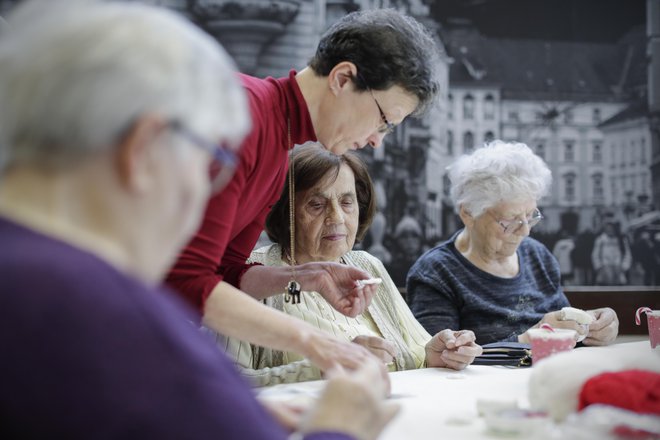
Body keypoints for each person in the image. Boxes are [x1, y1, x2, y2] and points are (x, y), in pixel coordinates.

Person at [0, 1, 397, 438]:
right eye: (214, 163)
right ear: (144, 149)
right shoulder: (93, 304)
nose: (205, 194)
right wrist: (340, 427)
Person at [166, 9, 442, 373]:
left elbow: (227, 273)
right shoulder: (242, 115)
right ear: (343, 79)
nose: (377, 140)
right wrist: (321, 346)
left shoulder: (278, 151)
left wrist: (308, 277)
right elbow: (184, 279)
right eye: (384, 120)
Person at [215, 143, 482, 386]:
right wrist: (326, 368)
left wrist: (436, 353)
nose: (337, 218)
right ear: (285, 213)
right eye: (317, 205)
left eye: (346, 202)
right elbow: (225, 386)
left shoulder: (368, 265)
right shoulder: (251, 275)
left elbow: (416, 354)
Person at [407, 141, 619, 346]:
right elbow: (438, 360)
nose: (525, 230)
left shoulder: (538, 256)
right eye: (510, 220)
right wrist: (529, 340)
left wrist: (591, 327)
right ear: (468, 213)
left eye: (531, 215)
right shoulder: (436, 273)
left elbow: (565, 330)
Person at [591, 218, 632, 285]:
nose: (610, 230)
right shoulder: (600, 240)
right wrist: (599, 268)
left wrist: (625, 267)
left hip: (619, 269)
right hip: (604, 269)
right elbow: (595, 255)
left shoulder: (621, 240)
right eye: (608, 228)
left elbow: (627, 254)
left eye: (611, 228)